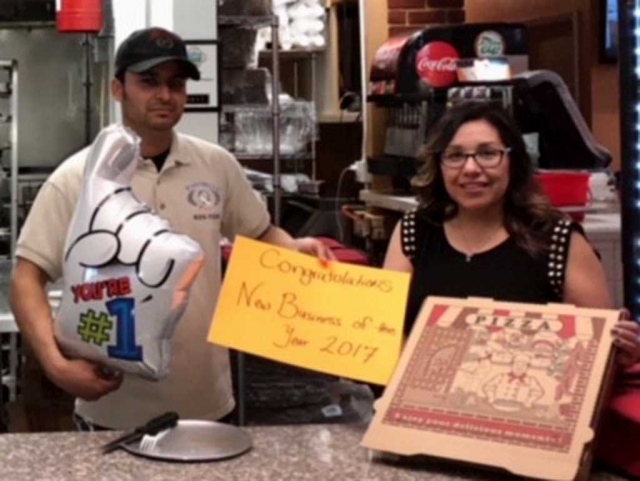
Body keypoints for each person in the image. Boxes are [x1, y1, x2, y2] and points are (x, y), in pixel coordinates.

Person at [9, 27, 333, 430]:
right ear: (117, 88)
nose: (164, 95)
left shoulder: (216, 165)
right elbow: (26, 278)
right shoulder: (77, 178)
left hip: (208, 403)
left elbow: (262, 234)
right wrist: (56, 366)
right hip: (111, 411)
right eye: (148, 82)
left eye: (175, 83)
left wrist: (293, 247)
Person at [382, 101, 640, 476]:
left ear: (513, 161)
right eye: (455, 156)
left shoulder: (558, 240)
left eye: (488, 153)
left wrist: (620, 350)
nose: (471, 169)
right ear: (438, 165)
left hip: (527, 454)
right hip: (424, 446)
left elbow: (596, 356)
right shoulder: (412, 231)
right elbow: (387, 335)